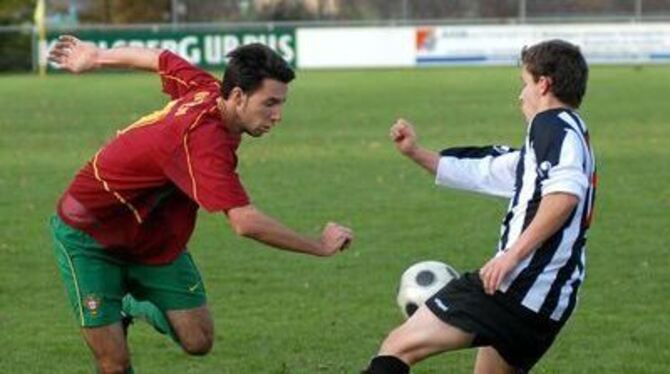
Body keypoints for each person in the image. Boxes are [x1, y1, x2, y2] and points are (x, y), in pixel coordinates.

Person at [47, 35, 353, 373]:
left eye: (281, 103)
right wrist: (319, 245)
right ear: (237, 96)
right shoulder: (204, 141)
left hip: (151, 237)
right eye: (269, 103)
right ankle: (116, 300)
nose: (278, 115)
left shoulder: (208, 89)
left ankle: (131, 302)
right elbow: (245, 222)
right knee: (114, 364)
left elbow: (160, 58)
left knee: (199, 340)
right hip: (89, 237)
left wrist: (97, 57)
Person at [363, 39, 596, 373]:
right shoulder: (571, 135)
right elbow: (488, 170)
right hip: (548, 304)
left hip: (515, 287)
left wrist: (510, 257)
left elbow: (563, 198)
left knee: (397, 348)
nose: (521, 96)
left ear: (544, 84)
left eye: (525, 84)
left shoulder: (551, 125)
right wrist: (416, 152)